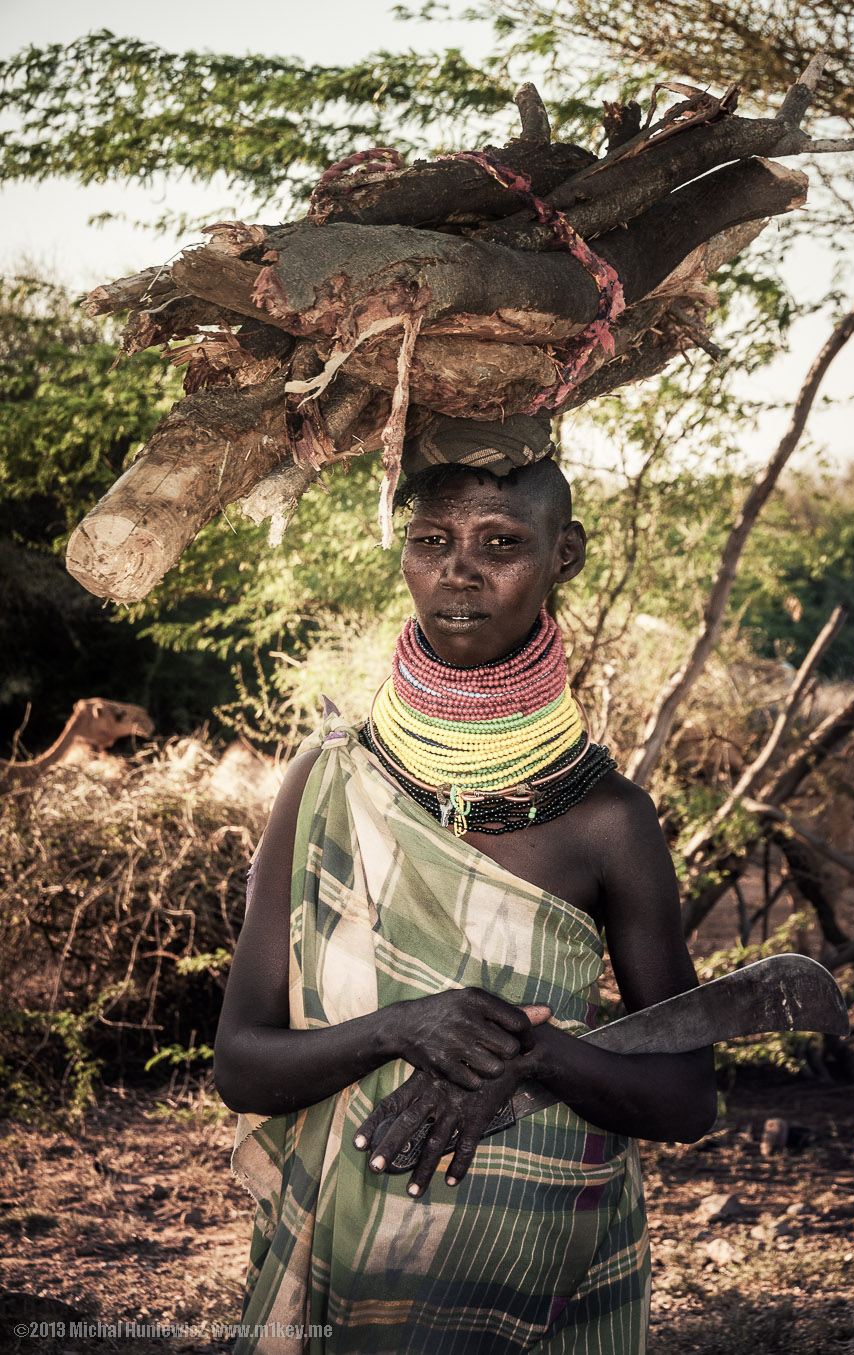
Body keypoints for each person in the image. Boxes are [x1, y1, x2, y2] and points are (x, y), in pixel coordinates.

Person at [214, 414, 717, 1355]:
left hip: (538, 1273)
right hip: (346, 1273)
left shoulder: (608, 820)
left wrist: (535, 1058)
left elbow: (688, 1098)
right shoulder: (326, 784)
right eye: (432, 540)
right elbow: (240, 1061)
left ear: (563, 554)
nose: (459, 571)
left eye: (501, 544)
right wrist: (403, 1026)